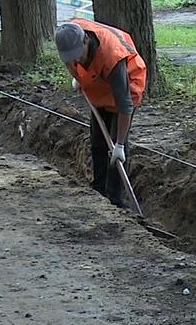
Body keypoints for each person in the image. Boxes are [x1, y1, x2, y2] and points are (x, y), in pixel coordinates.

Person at [54, 20, 148, 208]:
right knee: (97, 139)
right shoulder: (70, 36)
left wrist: (120, 144)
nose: (76, 60)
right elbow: (71, 63)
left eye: (78, 55)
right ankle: (99, 188)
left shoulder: (112, 57)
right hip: (99, 85)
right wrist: (78, 78)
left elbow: (125, 105)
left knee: (114, 146)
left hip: (126, 85)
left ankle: (115, 199)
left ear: (86, 41)